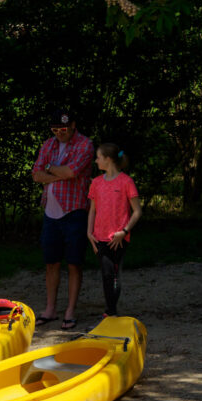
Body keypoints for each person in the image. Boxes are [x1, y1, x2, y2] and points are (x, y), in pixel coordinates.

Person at [32, 109, 95, 329]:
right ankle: (50, 308)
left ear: (73, 126)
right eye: (55, 129)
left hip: (74, 210)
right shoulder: (48, 144)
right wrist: (56, 172)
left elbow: (72, 172)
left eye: (64, 129)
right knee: (51, 263)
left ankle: (70, 310)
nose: (60, 133)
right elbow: (35, 174)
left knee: (75, 264)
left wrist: (49, 170)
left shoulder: (85, 145)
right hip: (50, 212)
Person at [86, 143, 141, 317]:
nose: (96, 161)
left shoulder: (126, 181)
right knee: (106, 274)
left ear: (108, 159)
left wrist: (124, 232)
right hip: (99, 237)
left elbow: (137, 211)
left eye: (98, 157)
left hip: (118, 238)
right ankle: (110, 312)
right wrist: (89, 233)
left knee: (113, 274)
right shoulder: (95, 183)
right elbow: (92, 210)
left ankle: (111, 312)